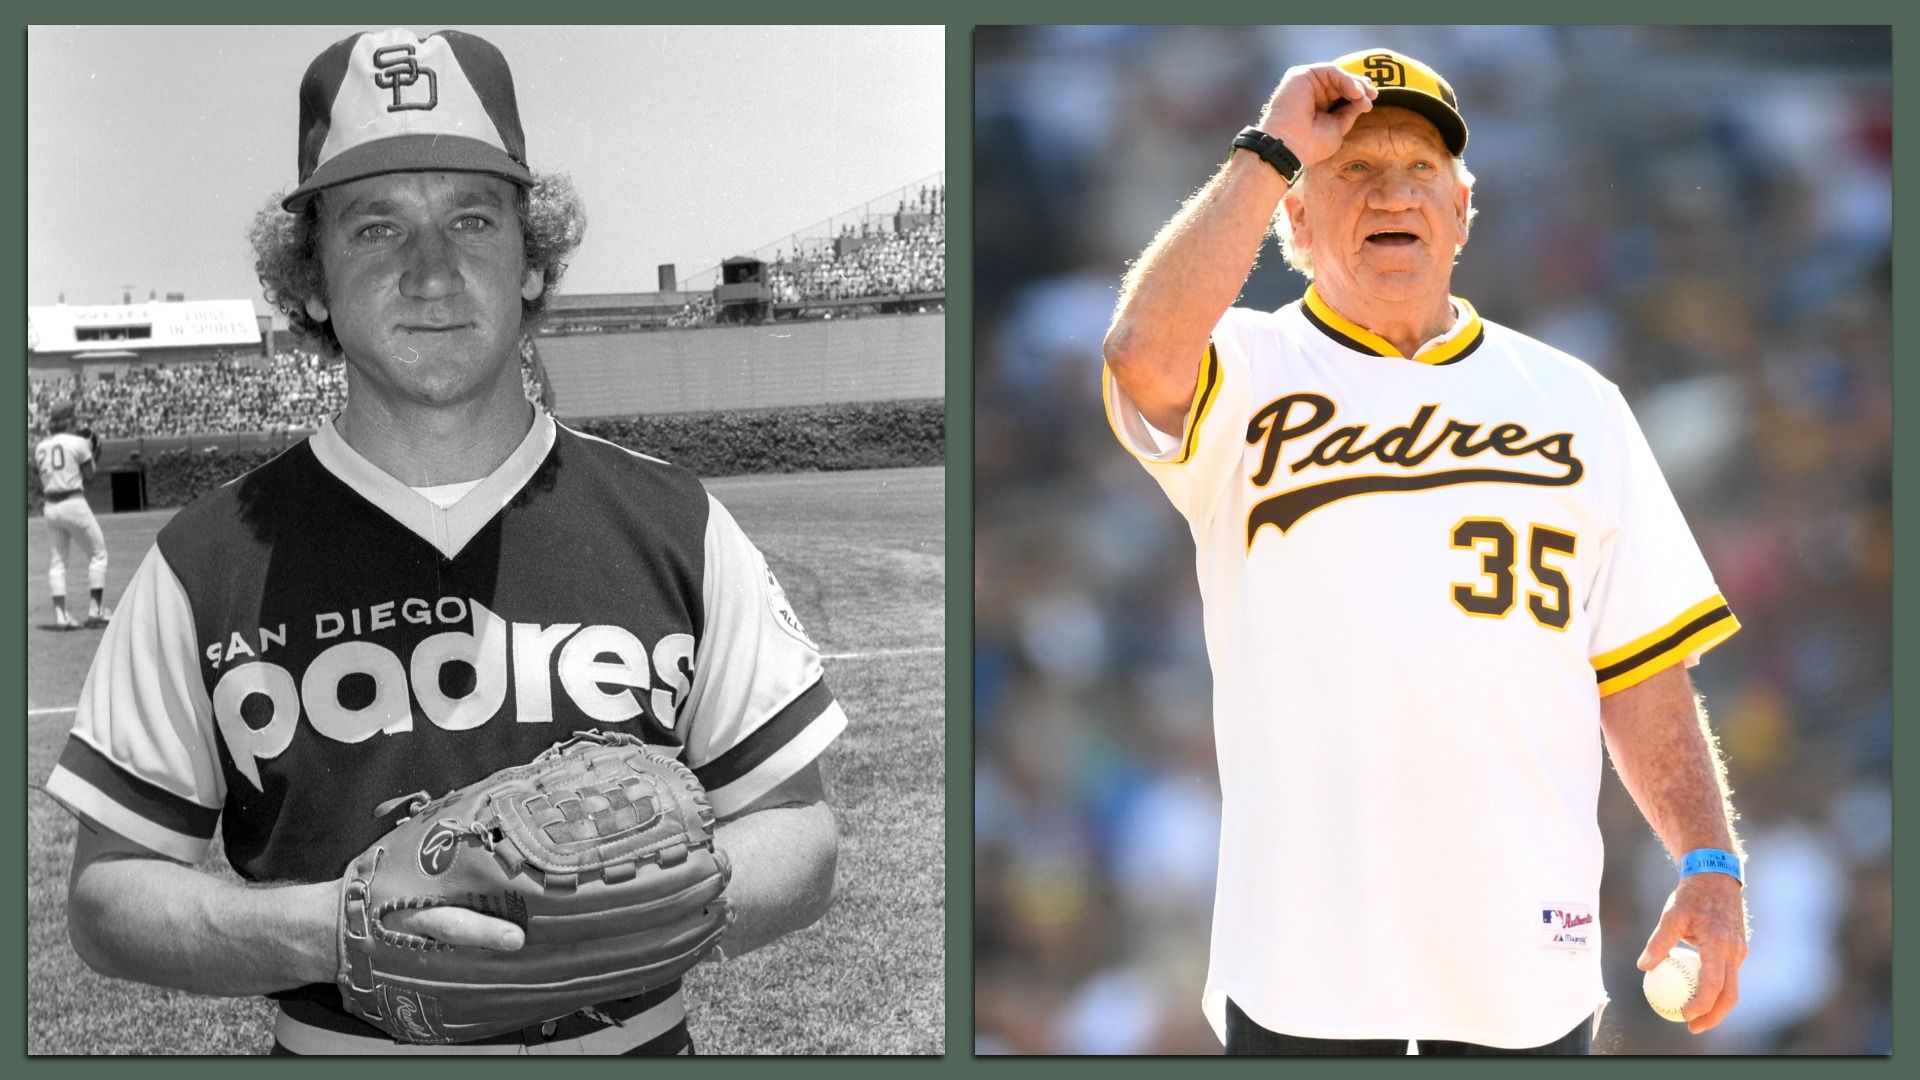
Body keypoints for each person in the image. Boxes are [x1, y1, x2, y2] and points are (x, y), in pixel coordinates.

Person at [44, 28, 845, 1056]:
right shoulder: (205, 560)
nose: (433, 273)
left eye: (473, 220)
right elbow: (108, 898)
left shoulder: (674, 520)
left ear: (530, 261)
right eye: (376, 227)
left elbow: (802, 833)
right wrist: (334, 933)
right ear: (313, 280)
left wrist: (637, 923)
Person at [1101, 48, 1748, 1055]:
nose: (1392, 192)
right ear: (1295, 221)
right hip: (1300, 974)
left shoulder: (1577, 404)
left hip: (1523, 976)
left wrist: (1709, 865)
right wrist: (1272, 146)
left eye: (1419, 172)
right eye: (1352, 172)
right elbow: (1139, 351)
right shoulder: (1247, 370)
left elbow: (1639, 669)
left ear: (1461, 212)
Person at [34, 400, 111, 629]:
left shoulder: (40, 447)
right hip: (73, 502)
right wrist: (94, 454)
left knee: (57, 562)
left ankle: (60, 615)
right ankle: (96, 610)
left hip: (50, 506)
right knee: (98, 554)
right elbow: (89, 476)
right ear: (68, 420)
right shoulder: (78, 442)